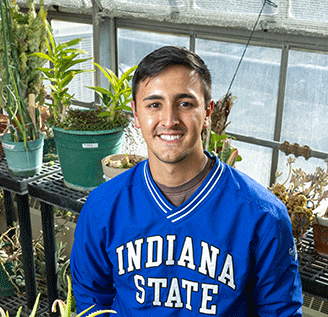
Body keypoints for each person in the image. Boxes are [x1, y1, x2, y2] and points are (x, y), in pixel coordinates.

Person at [70, 46, 303, 316]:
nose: (169, 120)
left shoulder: (263, 217)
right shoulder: (102, 209)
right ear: (136, 114)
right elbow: (92, 302)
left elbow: (279, 312)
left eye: (185, 103)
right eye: (154, 105)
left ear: (207, 113)